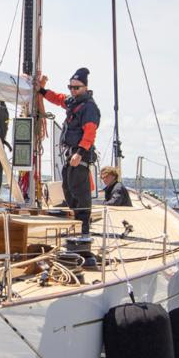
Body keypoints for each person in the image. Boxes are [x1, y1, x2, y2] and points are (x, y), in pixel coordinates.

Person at [37, 67, 100, 235]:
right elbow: (58, 99)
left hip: (80, 154)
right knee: (68, 187)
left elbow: (90, 132)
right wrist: (42, 91)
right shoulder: (73, 102)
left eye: (76, 87)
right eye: (70, 87)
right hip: (70, 153)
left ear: (85, 88)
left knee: (80, 190)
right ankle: (77, 221)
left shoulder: (89, 107)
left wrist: (79, 153)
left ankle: (84, 227)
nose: (73, 90)